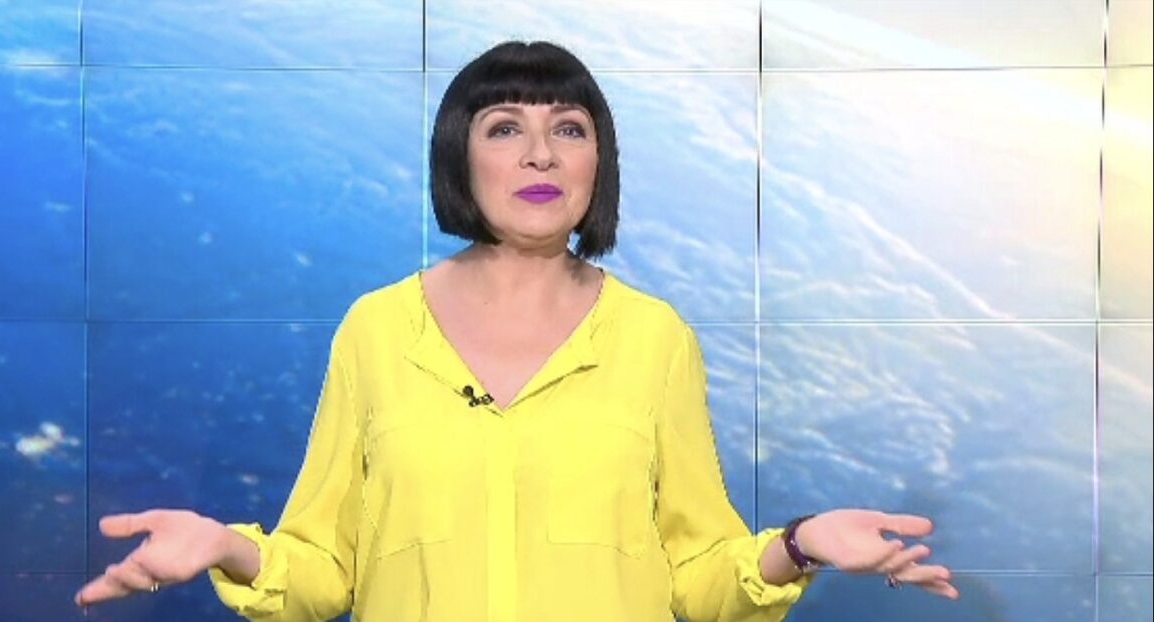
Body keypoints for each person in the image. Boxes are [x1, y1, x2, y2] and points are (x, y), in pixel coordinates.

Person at [75, 40, 958, 621]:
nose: (541, 153)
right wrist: (229, 547)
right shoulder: (376, 330)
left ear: (597, 162)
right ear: (461, 156)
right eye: (506, 128)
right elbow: (323, 571)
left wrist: (798, 545)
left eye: (568, 128)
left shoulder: (655, 338)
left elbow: (698, 578)